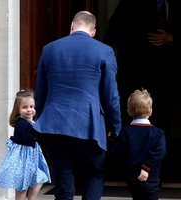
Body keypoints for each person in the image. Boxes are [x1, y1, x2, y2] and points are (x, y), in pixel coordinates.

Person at [33, 10, 121, 200]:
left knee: (64, 182)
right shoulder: (104, 51)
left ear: (72, 26)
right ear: (94, 31)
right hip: (90, 125)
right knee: (94, 175)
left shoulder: (49, 49)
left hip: (55, 125)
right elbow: (110, 95)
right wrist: (115, 127)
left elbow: (40, 91)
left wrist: (39, 119)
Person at [104, 0, 181, 136]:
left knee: (162, 119)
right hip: (136, 71)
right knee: (135, 115)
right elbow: (113, 32)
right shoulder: (131, 4)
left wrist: (171, 38)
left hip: (166, 75)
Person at [0, 90, 51, 200]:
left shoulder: (30, 122)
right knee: (22, 188)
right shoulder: (22, 124)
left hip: (30, 158)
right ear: (18, 109)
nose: (29, 110)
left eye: (31, 106)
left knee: (40, 178)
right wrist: (41, 135)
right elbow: (28, 139)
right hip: (23, 160)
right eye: (25, 107)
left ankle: (31, 198)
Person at [118, 88, 166, 200]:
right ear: (150, 111)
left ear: (129, 110)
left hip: (132, 177)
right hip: (151, 178)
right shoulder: (158, 133)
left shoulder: (124, 132)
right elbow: (160, 152)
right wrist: (146, 167)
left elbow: (117, 153)